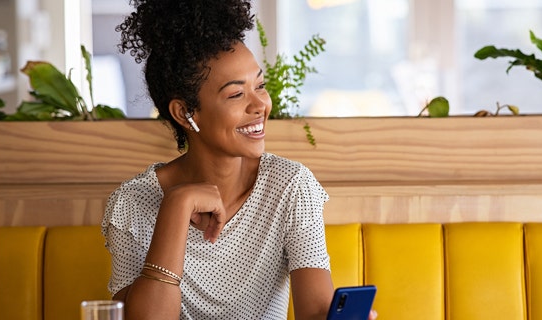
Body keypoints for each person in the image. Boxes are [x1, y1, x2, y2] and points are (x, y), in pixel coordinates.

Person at [101, 0, 377, 319]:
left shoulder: (289, 186)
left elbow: (315, 310)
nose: (259, 104)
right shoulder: (132, 204)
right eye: (236, 94)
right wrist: (176, 208)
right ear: (185, 113)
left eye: (260, 85)